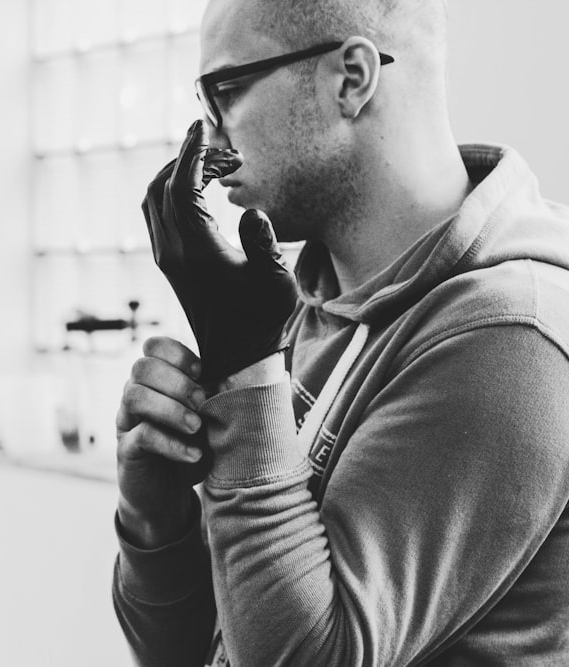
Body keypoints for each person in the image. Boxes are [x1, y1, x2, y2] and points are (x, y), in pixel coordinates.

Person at [111, 0, 569, 664]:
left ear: (351, 78)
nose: (209, 144)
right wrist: (155, 520)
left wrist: (244, 365)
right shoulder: (306, 302)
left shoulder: (511, 339)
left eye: (227, 93)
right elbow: (195, 651)